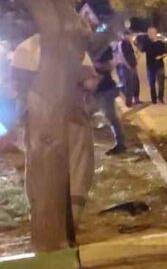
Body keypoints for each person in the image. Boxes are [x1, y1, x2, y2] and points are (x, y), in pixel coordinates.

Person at [11, 34, 100, 221]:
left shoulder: (24, 48)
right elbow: (90, 82)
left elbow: (15, 89)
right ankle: (71, 219)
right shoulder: (72, 48)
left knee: (37, 168)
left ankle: (40, 216)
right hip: (72, 118)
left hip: (37, 120)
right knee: (78, 167)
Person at [92, 45, 126, 155]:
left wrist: (93, 66)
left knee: (111, 116)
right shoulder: (83, 47)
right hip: (91, 90)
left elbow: (110, 65)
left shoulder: (104, 47)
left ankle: (121, 144)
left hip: (105, 89)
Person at [137, 27, 167, 103]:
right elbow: (140, 51)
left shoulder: (160, 43)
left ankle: (160, 98)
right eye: (148, 33)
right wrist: (136, 60)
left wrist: (160, 56)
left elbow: (165, 53)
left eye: (151, 33)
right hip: (150, 67)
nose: (149, 34)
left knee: (161, 84)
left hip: (160, 66)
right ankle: (153, 99)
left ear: (155, 33)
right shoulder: (147, 43)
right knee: (151, 84)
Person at [114, 30, 140, 106]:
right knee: (129, 84)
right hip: (126, 67)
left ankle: (136, 99)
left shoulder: (129, 43)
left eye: (129, 35)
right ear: (123, 36)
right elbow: (122, 56)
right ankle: (128, 102)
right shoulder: (121, 44)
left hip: (133, 66)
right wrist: (128, 65)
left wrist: (135, 61)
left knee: (135, 83)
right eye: (126, 35)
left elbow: (135, 52)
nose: (128, 37)